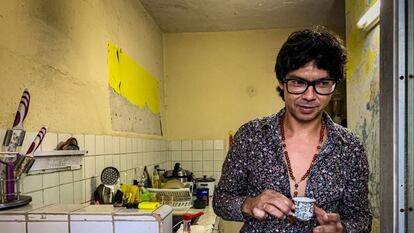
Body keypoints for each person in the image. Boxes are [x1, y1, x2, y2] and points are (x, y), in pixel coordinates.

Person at [213, 26, 372, 233]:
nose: (309, 95)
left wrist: (343, 229)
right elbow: (221, 200)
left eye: (322, 83)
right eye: (298, 82)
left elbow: (362, 218)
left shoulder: (350, 147)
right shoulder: (250, 136)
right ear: (281, 81)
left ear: (334, 84)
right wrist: (249, 204)